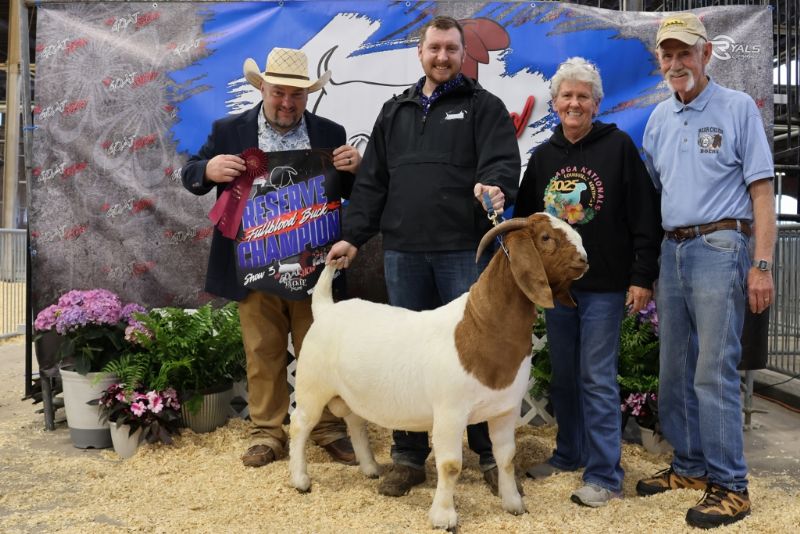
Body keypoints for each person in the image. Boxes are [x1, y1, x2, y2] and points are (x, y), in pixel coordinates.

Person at [326, 15, 520, 497]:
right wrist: (353, 236)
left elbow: (501, 162)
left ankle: (487, 456)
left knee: (475, 355)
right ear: (420, 52)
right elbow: (372, 183)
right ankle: (408, 458)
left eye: (451, 49)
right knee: (406, 358)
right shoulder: (395, 111)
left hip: (464, 252)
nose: (442, 56)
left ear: (463, 54)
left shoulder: (485, 107)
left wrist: (495, 186)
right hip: (404, 253)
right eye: (434, 48)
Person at [181, 47, 363, 468]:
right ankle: (267, 431)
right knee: (262, 350)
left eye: (296, 95)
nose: (287, 102)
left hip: (314, 265)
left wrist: (357, 169)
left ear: (308, 96)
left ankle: (328, 428)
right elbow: (190, 173)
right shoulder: (229, 130)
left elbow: (352, 192)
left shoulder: (330, 131)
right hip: (253, 264)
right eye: (279, 92)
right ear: (262, 88)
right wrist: (207, 170)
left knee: (321, 350)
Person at [637, 13, 776, 529]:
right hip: (672, 248)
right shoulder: (658, 119)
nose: (676, 63)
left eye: (685, 53)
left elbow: (762, 193)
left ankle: (732, 486)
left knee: (712, 369)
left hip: (721, 244)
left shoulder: (738, 108)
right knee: (674, 369)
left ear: (706, 54)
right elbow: (655, 194)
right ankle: (691, 467)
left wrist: (761, 265)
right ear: (660, 61)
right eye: (667, 55)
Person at [515, 57, 662, 507]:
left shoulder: (618, 148)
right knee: (563, 376)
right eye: (567, 95)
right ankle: (569, 454)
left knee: (596, 377)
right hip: (559, 290)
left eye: (583, 96)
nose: (574, 103)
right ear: (555, 103)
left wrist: (641, 276)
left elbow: (644, 216)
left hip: (605, 285)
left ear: (597, 104)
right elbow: (525, 223)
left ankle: (604, 475)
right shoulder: (543, 157)